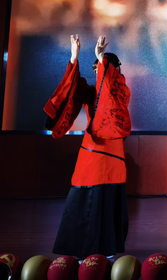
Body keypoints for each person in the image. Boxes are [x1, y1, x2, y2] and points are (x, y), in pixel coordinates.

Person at [44, 35, 131, 259]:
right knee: (82, 201)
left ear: (115, 70)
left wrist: (102, 59)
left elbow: (110, 91)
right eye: (96, 69)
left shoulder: (121, 91)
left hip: (112, 154)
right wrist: (74, 58)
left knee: (107, 203)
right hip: (91, 154)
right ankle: (81, 250)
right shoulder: (90, 92)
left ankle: (106, 250)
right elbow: (71, 89)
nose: (98, 72)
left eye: (102, 68)